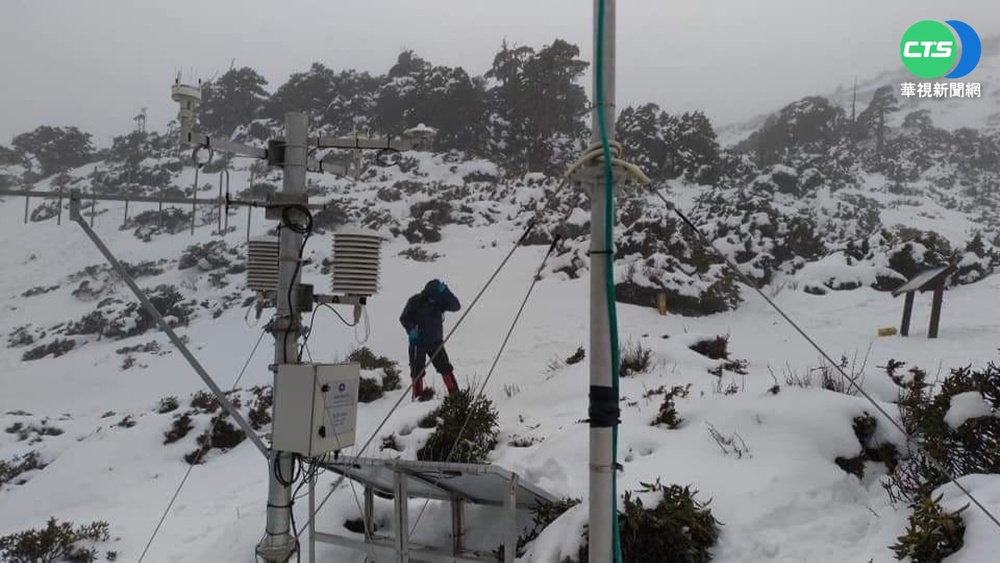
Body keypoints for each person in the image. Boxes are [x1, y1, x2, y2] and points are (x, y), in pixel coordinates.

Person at [400, 279, 461, 400]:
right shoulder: (415, 301)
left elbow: (456, 306)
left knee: (445, 368)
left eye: (437, 298)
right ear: (427, 294)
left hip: (435, 342)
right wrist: (411, 330)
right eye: (432, 298)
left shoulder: (440, 302)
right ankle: (417, 398)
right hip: (418, 343)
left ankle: (456, 397)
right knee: (417, 372)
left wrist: (446, 292)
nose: (434, 301)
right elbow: (404, 318)